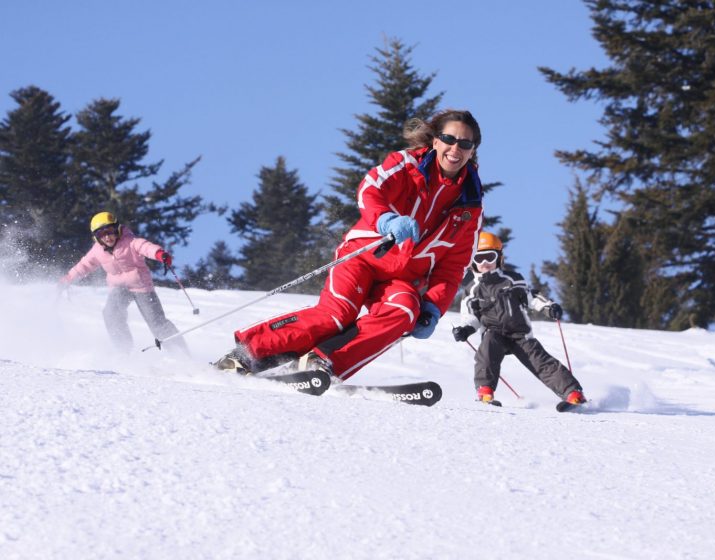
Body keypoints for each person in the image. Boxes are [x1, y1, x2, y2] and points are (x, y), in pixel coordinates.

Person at [215, 109, 484, 381]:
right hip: (364, 256)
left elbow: (454, 265)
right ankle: (246, 353)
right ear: (435, 140)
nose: (455, 148)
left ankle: (321, 363)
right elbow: (371, 188)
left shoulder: (470, 205)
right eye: (449, 139)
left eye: (465, 144)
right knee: (336, 315)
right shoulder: (406, 164)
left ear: (472, 151)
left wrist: (433, 307)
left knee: (404, 310)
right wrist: (386, 220)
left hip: (401, 277)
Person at [452, 231, 586, 406]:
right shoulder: (472, 290)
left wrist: (548, 307)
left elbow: (532, 297)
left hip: (520, 334)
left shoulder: (513, 280)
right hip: (494, 333)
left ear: (499, 258)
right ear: (472, 262)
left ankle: (573, 393)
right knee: (486, 353)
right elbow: (470, 316)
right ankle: (485, 392)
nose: (485, 263)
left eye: (490, 257)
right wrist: (465, 329)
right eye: (479, 258)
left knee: (541, 361)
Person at [60, 211, 187, 353]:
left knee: (156, 321)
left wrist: (159, 254)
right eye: (102, 234)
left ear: (117, 229)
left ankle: (181, 352)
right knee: (111, 314)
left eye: (109, 231)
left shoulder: (130, 242)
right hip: (119, 288)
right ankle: (124, 351)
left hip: (141, 286)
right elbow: (84, 265)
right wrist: (68, 278)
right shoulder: (97, 251)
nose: (107, 237)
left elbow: (145, 247)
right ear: (96, 237)